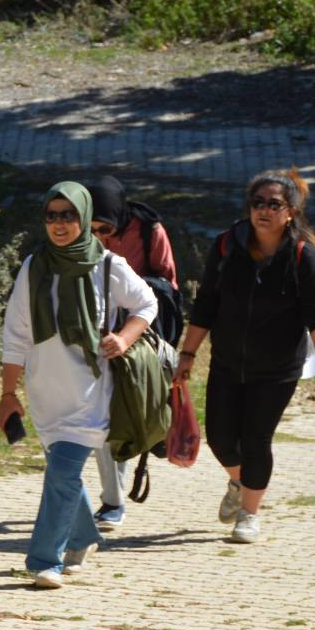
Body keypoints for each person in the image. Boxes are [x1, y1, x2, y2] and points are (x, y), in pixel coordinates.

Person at [0, 183, 157, 589]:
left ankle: (43, 560)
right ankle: (85, 536)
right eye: (51, 215)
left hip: (91, 393)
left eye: (68, 215)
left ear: (85, 218)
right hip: (45, 392)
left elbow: (146, 304)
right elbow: (16, 333)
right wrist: (8, 394)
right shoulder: (34, 266)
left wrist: (124, 338)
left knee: (63, 470)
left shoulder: (106, 264)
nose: (59, 224)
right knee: (63, 472)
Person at [176, 168, 315, 544]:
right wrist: (188, 353)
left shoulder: (303, 256)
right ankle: (239, 480)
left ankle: (249, 514)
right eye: (257, 203)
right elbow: (206, 305)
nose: (263, 211)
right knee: (219, 437)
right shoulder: (226, 246)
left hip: (277, 367)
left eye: (273, 204)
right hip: (228, 361)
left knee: (256, 439)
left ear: (290, 212)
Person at [85, 175, 182, 532]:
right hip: (95, 338)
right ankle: (112, 499)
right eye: (91, 227)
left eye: (106, 228)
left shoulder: (148, 229)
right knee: (105, 418)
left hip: (140, 331)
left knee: (123, 411)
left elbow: (169, 285)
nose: (99, 236)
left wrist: (128, 287)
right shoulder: (71, 238)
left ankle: (116, 496)